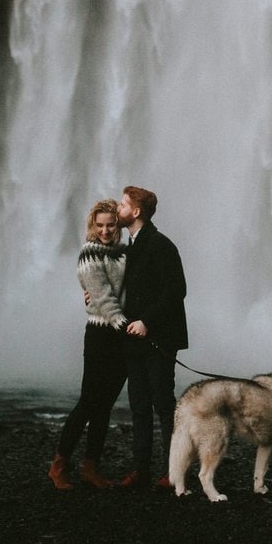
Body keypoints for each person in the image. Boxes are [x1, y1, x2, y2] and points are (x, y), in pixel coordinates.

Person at [48, 199, 129, 490]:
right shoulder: (89, 253)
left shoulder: (125, 252)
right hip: (101, 335)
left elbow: (131, 289)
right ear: (93, 226)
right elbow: (103, 296)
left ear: (118, 225)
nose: (105, 231)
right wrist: (124, 325)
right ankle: (58, 466)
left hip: (122, 336)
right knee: (88, 403)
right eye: (100, 225)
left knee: (105, 406)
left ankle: (90, 468)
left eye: (111, 225)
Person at [115, 186, 188, 489]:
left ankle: (174, 472)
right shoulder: (130, 247)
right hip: (134, 340)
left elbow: (177, 289)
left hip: (159, 339)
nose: (117, 208)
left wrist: (147, 321)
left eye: (123, 204)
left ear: (136, 212)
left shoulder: (160, 244)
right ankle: (141, 470)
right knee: (139, 406)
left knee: (163, 405)